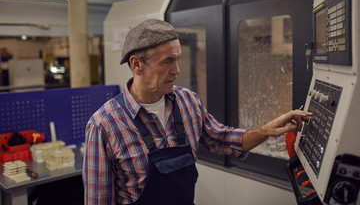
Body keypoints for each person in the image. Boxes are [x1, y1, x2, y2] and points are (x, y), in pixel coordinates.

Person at [82, 19, 312, 205]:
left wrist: (266, 130)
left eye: (178, 59)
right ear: (137, 65)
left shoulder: (187, 102)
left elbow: (222, 138)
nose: (177, 70)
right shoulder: (104, 125)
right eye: (167, 61)